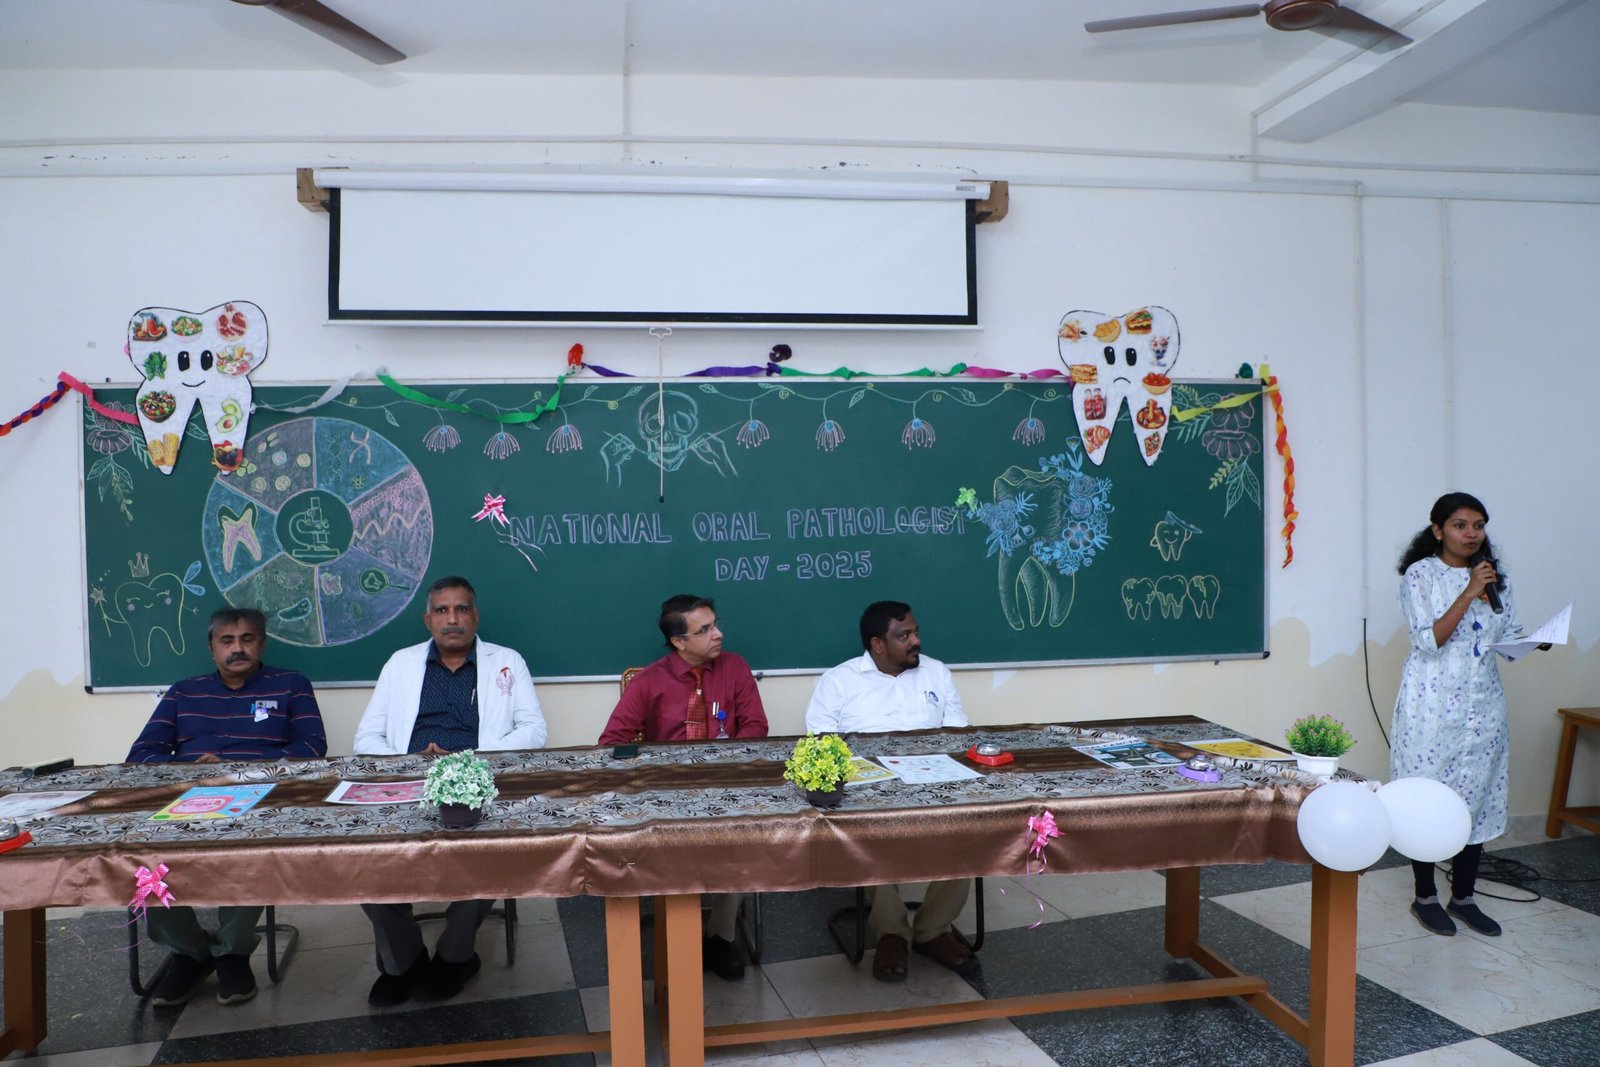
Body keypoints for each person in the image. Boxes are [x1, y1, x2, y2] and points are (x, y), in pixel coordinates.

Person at [353, 576, 547, 1006]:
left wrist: (468, 759)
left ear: (475, 617)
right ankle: (403, 962)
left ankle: (455, 956)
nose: (452, 619)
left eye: (461, 609)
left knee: (496, 855)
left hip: (477, 783)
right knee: (363, 859)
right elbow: (366, 737)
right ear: (428, 620)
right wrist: (412, 761)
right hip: (409, 785)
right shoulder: (401, 663)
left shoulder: (506, 661)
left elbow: (534, 730)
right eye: (442, 610)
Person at [126, 607, 327, 1007]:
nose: (238, 649)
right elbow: (141, 755)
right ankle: (190, 952)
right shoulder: (184, 692)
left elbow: (312, 746)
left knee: (251, 850)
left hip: (258, 796)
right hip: (189, 798)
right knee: (142, 859)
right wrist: (188, 769)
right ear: (212, 648)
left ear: (261, 644)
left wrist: (244, 767)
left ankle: (232, 952)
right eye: (227, 641)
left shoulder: (290, 684)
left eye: (247, 639)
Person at [1391, 492, 1545, 938]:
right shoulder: (1420, 575)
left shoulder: (1495, 577)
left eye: (1478, 525)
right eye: (1460, 525)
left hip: (1483, 706)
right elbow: (1428, 641)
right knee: (1428, 798)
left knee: (1476, 797)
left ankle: (1464, 898)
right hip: (1431, 706)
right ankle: (1424, 898)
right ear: (1438, 530)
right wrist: (1469, 590)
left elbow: (1506, 635)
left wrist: (1532, 641)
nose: (1472, 533)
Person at [804, 600, 975, 982]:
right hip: (870, 793)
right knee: (865, 835)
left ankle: (933, 929)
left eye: (915, 632)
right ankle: (892, 933)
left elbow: (958, 735)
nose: (916, 641)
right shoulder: (839, 681)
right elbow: (821, 743)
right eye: (904, 636)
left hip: (933, 785)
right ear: (877, 644)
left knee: (971, 828)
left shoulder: (936, 672)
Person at [598, 594, 767, 979]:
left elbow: (756, 727)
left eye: (716, 624)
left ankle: (721, 936)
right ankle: (677, 934)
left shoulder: (735, 667)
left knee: (742, 839)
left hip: (724, 785)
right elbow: (612, 742)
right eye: (704, 630)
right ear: (678, 641)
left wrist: (725, 762)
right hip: (667, 791)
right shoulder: (650, 681)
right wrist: (652, 771)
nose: (718, 634)